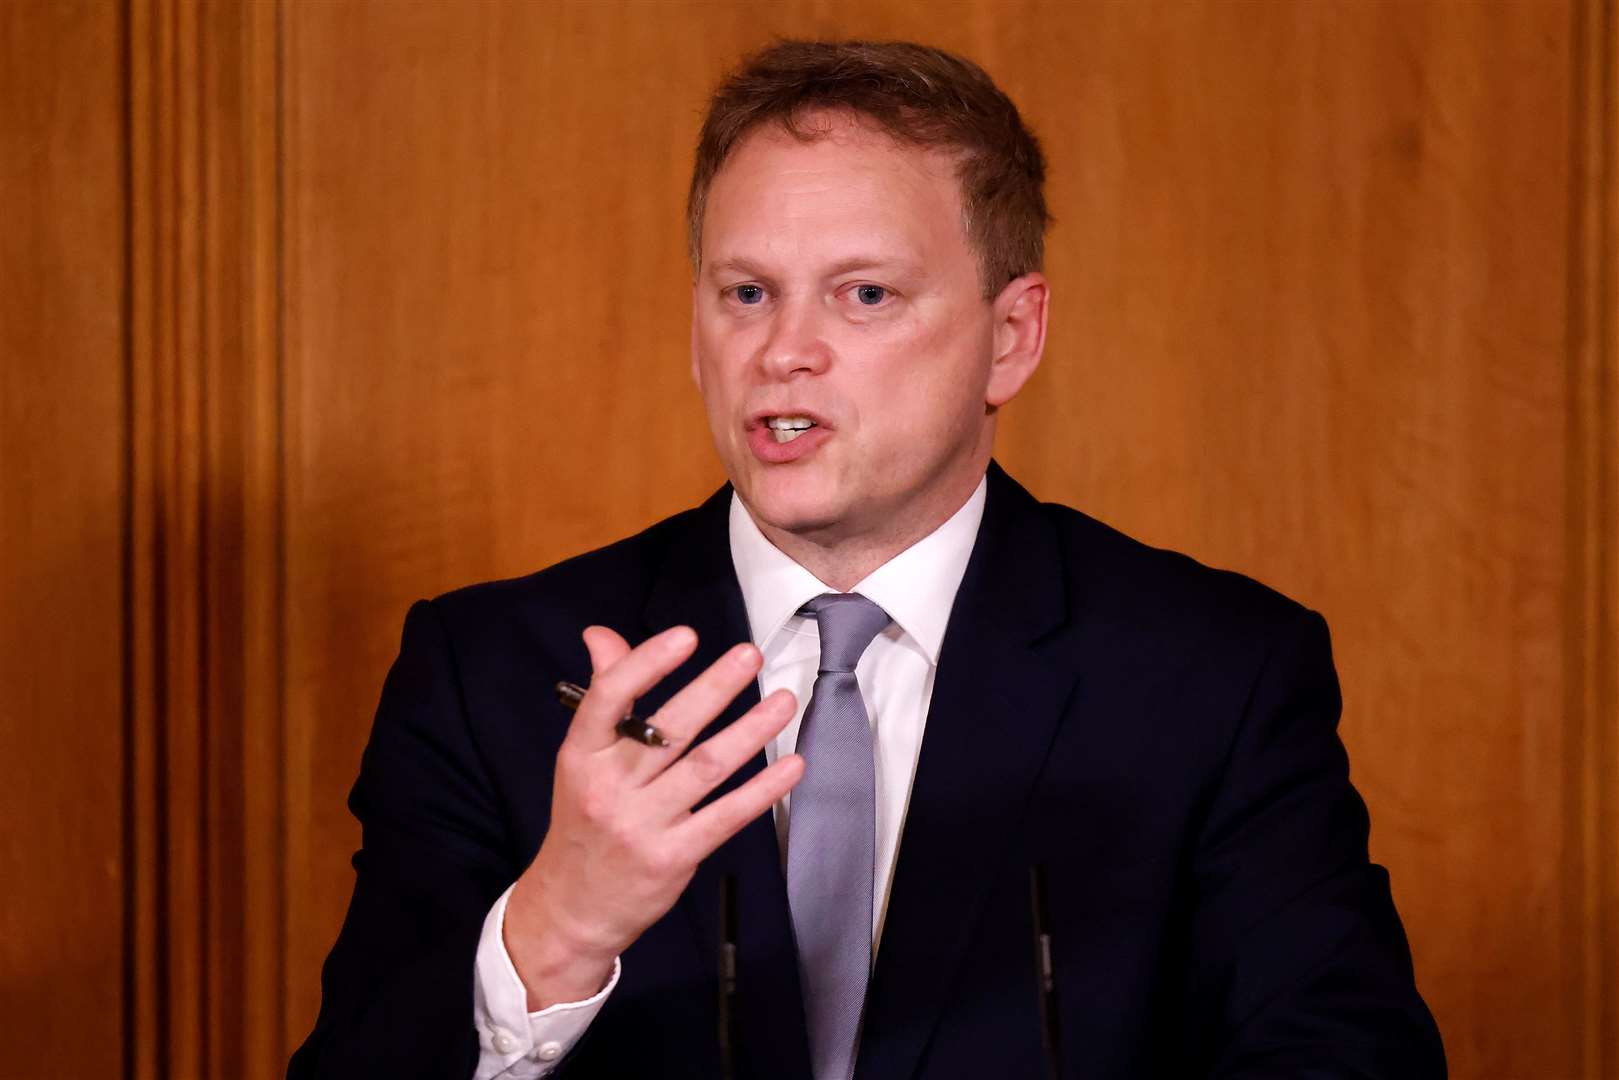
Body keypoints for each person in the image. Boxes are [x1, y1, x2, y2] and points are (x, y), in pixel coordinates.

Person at [288, 39, 1445, 1080]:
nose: (784, 352)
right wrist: (554, 927)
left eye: (863, 296)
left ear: (1009, 336)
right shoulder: (489, 670)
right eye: (746, 293)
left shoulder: (1212, 675)